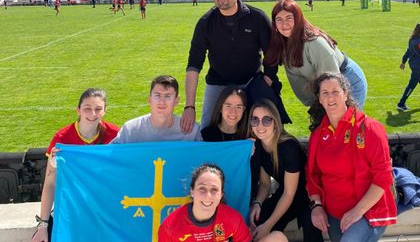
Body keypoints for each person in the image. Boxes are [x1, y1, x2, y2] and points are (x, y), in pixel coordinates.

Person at [180, 0, 279, 132]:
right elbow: (193, 65)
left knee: (259, 131)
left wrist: (266, 81)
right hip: (217, 84)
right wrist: (189, 106)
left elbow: (272, 54)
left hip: (251, 83)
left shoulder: (258, 18)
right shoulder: (205, 23)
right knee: (207, 131)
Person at [306, 73, 397, 242]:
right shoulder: (318, 135)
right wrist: (316, 206)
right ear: (319, 99)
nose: (330, 97)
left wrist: (357, 212)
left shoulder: (370, 128)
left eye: (335, 91)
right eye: (324, 93)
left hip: (368, 211)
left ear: (346, 94)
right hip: (334, 214)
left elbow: (383, 177)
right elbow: (313, 178)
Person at [32, 88, 119, 242]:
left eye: (98, 109)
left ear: (105, 111)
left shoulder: (116, 135)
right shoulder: (62, 138)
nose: (93, 114)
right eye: (87, 109)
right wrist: (43, 225)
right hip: (72, 207)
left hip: (104, 208)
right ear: (78, 110)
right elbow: (50, 183)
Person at [264, 0, 368, 110]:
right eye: (279, 19)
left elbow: (331, 79)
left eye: (289, 18)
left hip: (346, 80)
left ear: (298, 19)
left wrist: (323, 105)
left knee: (345, 124)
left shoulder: (314, 42)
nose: (284, 24)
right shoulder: (283, 43)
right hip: (324, 85)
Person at [248, 99, 323, 242]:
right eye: (255, 120)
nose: (260, 125)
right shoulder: (259, 145)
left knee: (311, 225)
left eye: (266, 120)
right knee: (258, 218)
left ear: (275, 123)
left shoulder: (288, 147)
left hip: (307, 193)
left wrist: (268, 226)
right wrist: (257, 203)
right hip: (285, 193)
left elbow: (290, 193)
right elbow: (264, 184)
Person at [158, 163, 287, 242]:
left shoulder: (233, 218)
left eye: (214, 190)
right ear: (192, 191)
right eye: (202, 189)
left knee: (277, 238)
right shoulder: (170, 226)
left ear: (221, 195)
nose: (208, 196)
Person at [111, 75, 202, 144]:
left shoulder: (191, 131)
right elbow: (110, 158)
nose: (162, 102)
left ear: (176, 101)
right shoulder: (131, 130)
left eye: (167, 96)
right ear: (149, 99)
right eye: (157, 95)